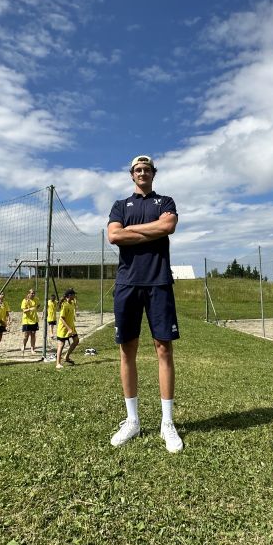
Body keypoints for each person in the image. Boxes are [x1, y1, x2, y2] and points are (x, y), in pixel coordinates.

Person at [107, 154, 182, 453]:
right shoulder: (119, 205)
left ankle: (167, 424)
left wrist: (132, 233)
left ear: (153, 173)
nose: (142, 173)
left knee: (163, 349)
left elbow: (168, 227)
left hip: (159, 282)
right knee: (127, 351)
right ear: (131, 174)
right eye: (138, 170)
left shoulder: (165, 202)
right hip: (127, 283)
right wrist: (149, 231)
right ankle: (133, 421)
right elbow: (114, 236)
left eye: (147, 169)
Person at [55, 288, 79, 368]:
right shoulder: (64, 305)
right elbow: (61, 318)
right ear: (70, 295)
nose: (75, 296)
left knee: (76, 341)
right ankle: (58, 363)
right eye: (73, 294)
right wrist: (68, 328)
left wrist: (71, 327)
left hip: (71, 327)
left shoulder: (72, 303)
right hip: (63, 329)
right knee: (61, 345)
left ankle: (66, 356)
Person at [20, 289, 40, 355]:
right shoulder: (25, 300)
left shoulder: (36, 299)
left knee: (33, 335)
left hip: (34, 320)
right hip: (27, 320)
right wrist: (30, 309)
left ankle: (32, 349)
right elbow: (24, 310)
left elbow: (38, 305)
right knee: (26, 335)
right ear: (28, 294)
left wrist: (36, 308)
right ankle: (23, 345)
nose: (33, 294)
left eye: (34, 293)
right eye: (32, 293)